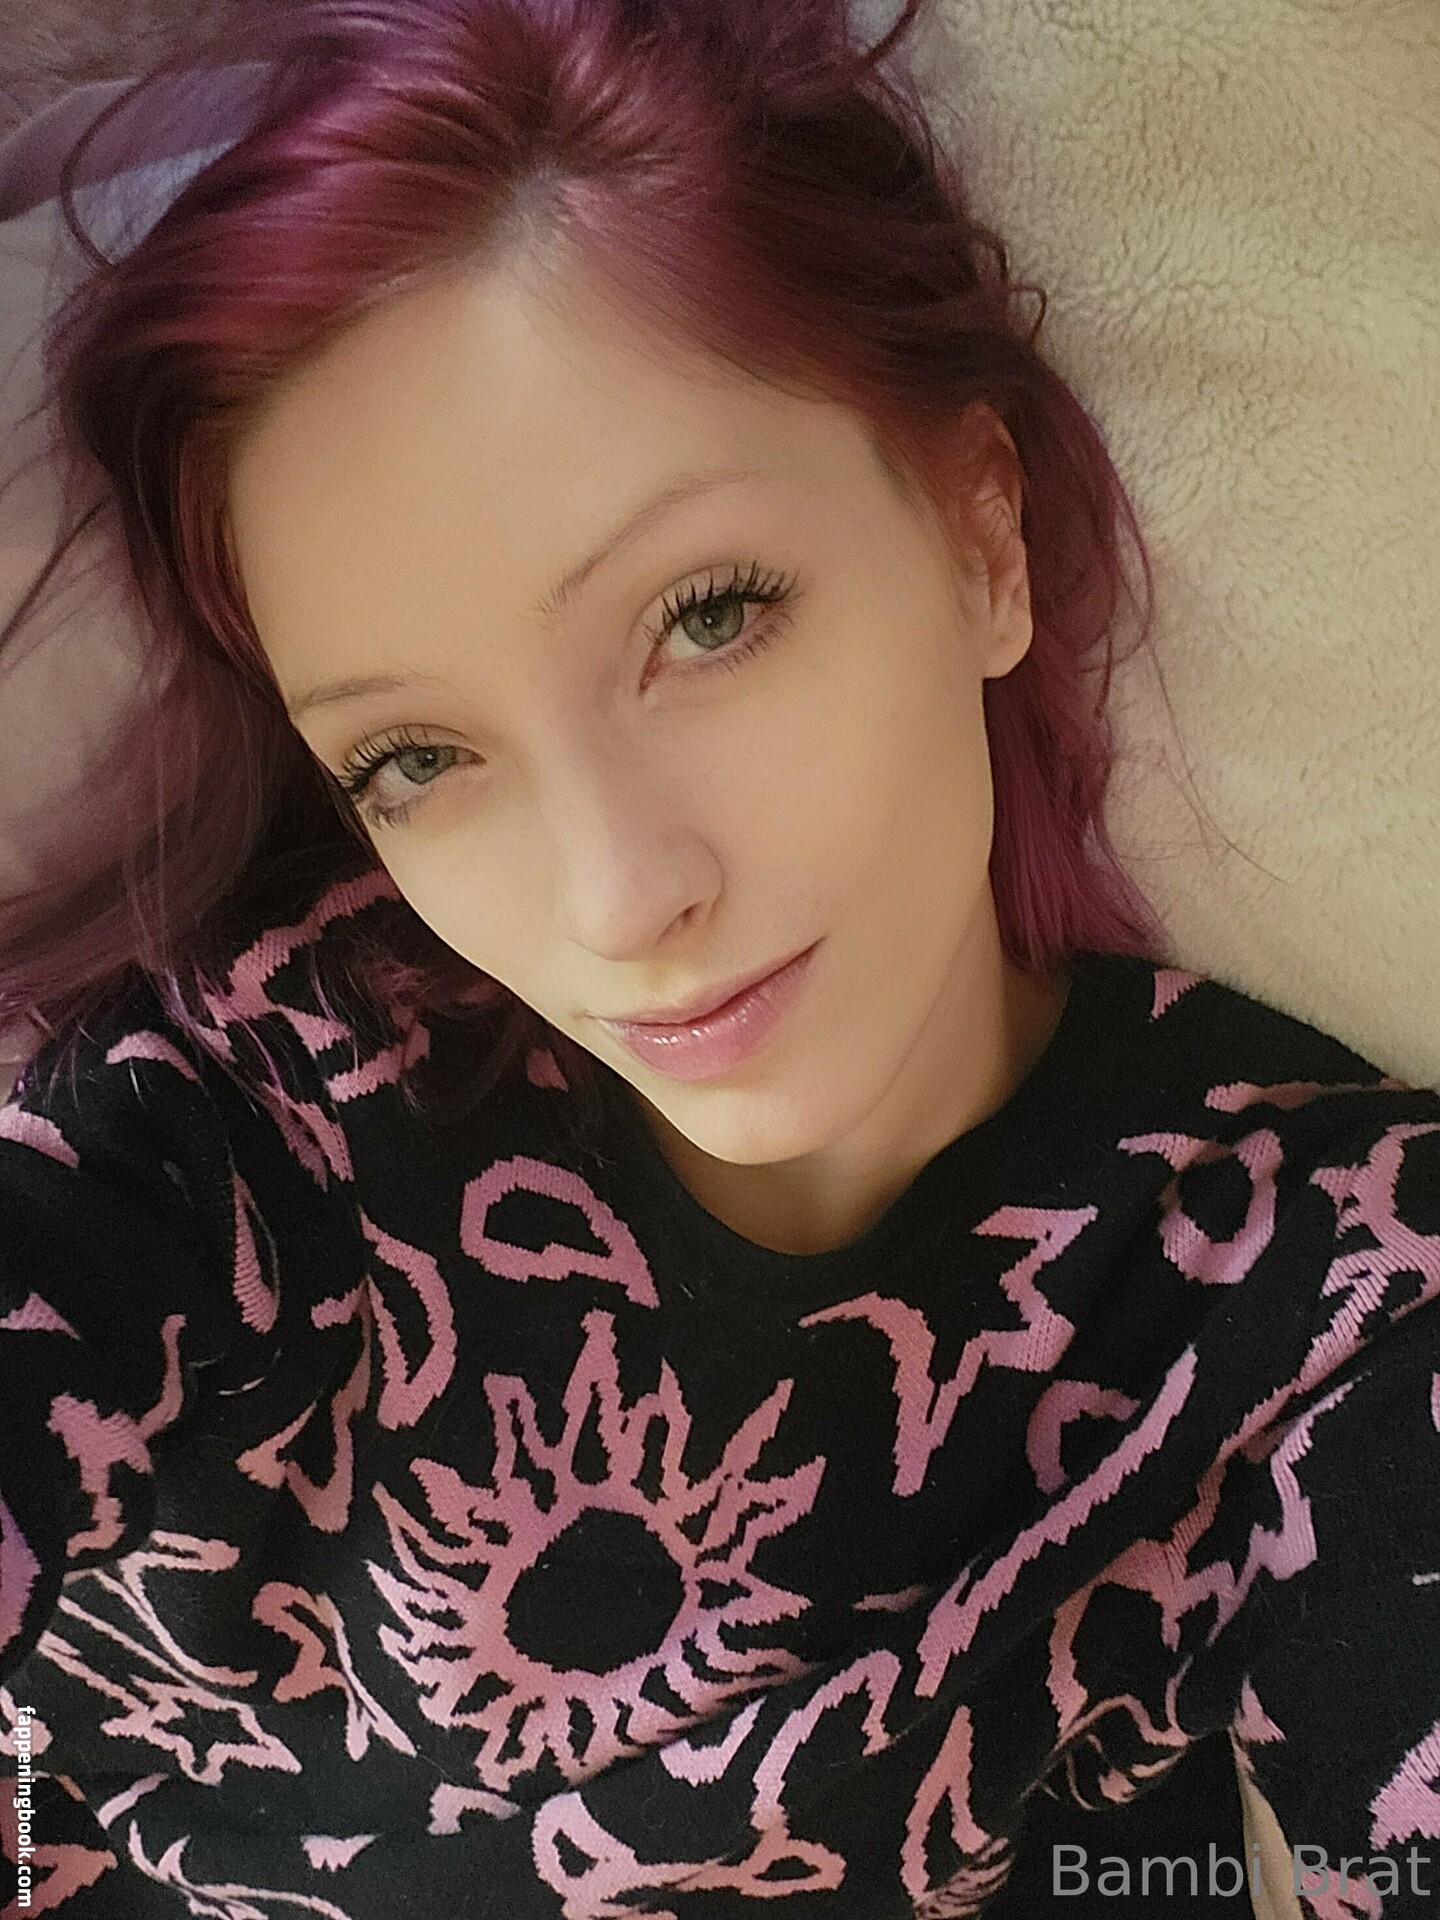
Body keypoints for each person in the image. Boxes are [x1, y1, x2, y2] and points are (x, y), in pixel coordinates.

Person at [1, 1, 1437, 1914]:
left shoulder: (1311, 1294)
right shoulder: (249, 1116)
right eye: (415, 758)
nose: (616, 903)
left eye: (707, 616)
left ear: (982, 536)